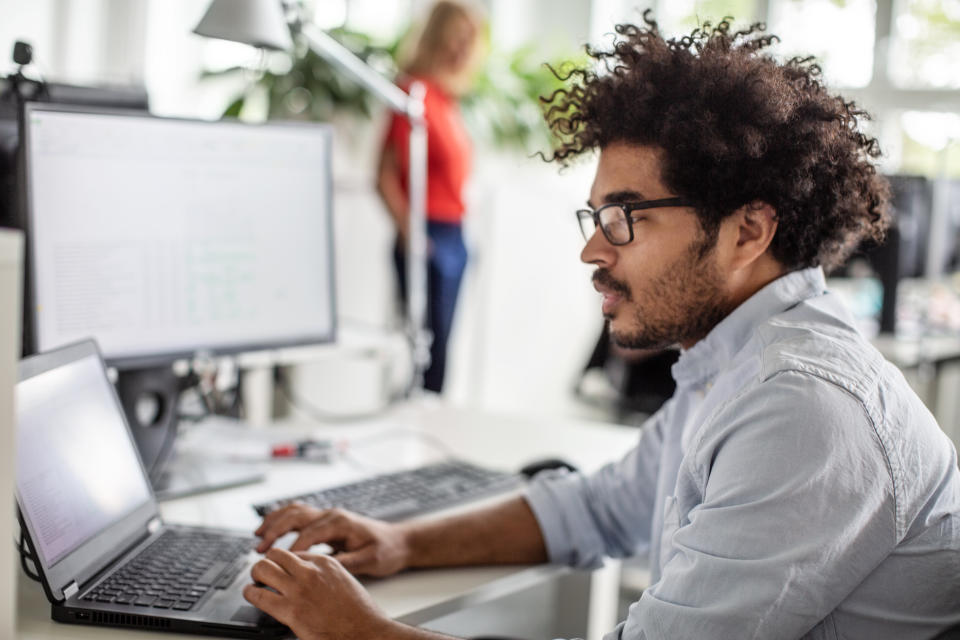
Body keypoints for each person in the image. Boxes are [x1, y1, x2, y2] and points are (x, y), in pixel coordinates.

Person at [242, 14, 960, 640]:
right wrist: (399, 542)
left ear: (747, 232)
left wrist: (361, 634)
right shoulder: (731, 362)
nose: (592, 248)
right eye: (595, 217)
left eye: (625, 217)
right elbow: (598, 509)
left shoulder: (803, 407)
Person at [377, 0, 482, 393]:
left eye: (468, 40)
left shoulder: (447, 100)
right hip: (428, 235)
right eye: (455, 36)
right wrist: (413, 236)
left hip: (455, 234)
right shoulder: (412, 94)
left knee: (443, 354)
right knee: (426, 355)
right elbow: (384, 175)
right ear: (436, 36)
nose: (460, 48)